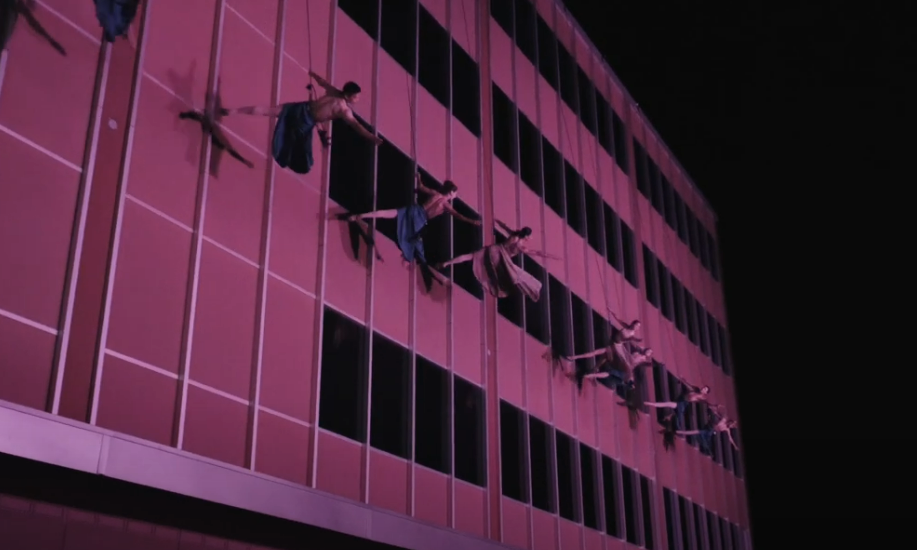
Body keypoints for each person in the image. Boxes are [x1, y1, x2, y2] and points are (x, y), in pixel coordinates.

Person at [221, 70, 382, 174]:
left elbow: (322, 83)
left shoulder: (335, 91)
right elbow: (357, 126)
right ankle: (281, 159)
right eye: (356, 96)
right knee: (302, 154)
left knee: (269, 110)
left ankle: (232, 111)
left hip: (301, 108)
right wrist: (371, 138)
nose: (358, 99)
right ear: (348, 95)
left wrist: (314, 75)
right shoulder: (344, 110)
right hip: (306, 121)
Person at [345, 172, 481, 283]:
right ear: (450, 193)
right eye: (455, 194)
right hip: (420, 219)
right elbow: (457, 215)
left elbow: (421, 187)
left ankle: (362, 215)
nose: (455, 197)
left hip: (415, 209)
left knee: (390, 213)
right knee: (415, 246)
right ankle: (407, 262)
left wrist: (419, 178)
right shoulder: (445, 204)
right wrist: (472, 221)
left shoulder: (435, 193)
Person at [434, 220, 556, 300]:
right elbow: (534, 252)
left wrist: (497, 222)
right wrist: (547, 255)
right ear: (526, 236)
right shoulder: (520, 244)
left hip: (494, 249)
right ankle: (531, 289)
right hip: (499, 256)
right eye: (530, 236)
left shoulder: (515, 235)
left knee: (471, 256)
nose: (531, 238)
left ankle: (446, 263)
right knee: (515, 276)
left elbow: (505, 227)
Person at [644, 379, 710, 430]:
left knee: (673, 411)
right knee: (668, 405)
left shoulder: (702, 397)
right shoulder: (696, 389)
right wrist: (683, 381)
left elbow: (705, 401)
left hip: (682, 404)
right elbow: (689, 386)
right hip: (681, 401)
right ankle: (651, 405)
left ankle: (651, 404)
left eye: (705, 389)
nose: (703, 389)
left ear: (706, 393)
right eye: (704, 387)